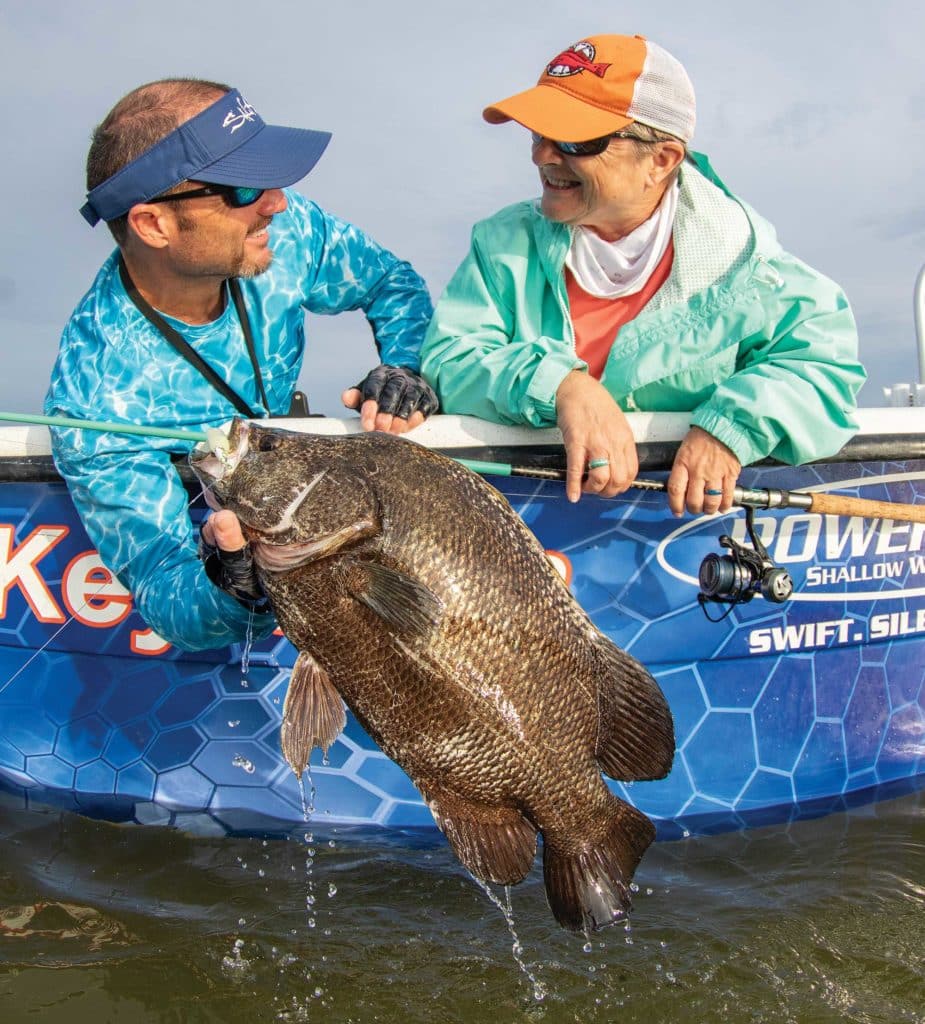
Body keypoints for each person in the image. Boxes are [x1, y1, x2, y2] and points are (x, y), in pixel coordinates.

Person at [45, 79, 436, 651]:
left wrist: (404, 369)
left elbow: (391, 283)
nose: (276, 201)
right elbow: (164, 589)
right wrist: (239, 594)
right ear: (154, 224)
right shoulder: (97, 391)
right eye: (244, 186)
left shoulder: (286, 229)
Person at [421, 34, 866, 514]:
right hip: (519, 534)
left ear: (661, 160)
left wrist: (730, 429)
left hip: (675, 541)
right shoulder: (502, 243)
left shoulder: (748, 267)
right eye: (537, 133)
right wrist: (562, 387)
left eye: (575, 139)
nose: (543, 156)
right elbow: (450, 358)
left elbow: (823, 367)